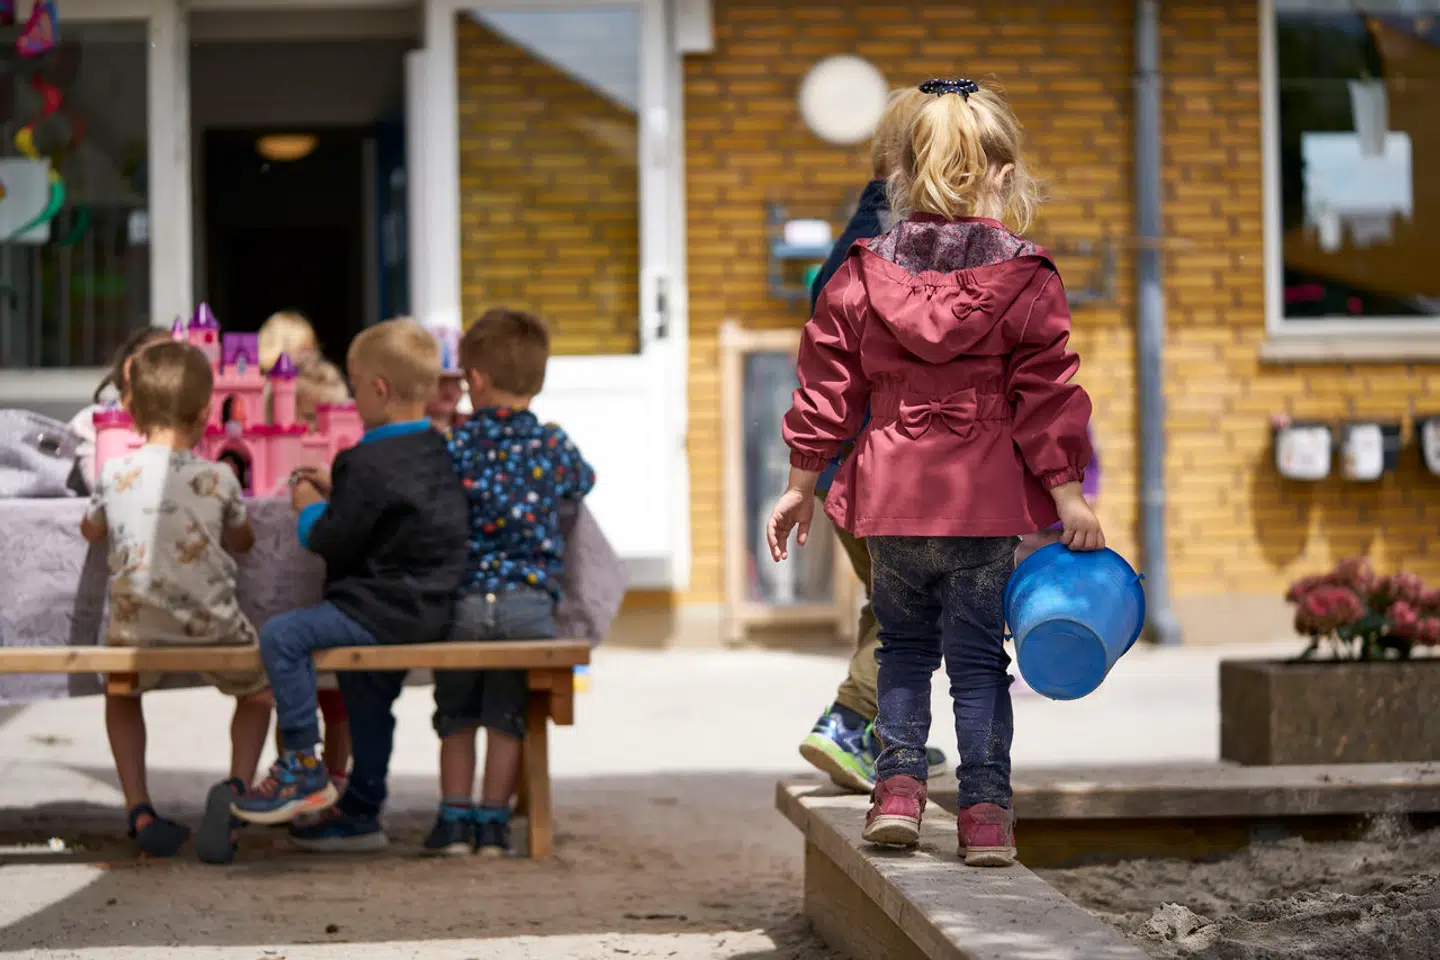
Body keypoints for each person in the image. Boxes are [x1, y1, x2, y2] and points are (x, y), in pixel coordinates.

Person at [767, 78, 1100, 867]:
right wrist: (1068, 496)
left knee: (904, 652)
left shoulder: (860, 271)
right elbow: (1046, 398)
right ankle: (985, 818)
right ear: (1005, 176)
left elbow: (827, 386)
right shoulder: (1028, 278)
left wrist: (800, 485)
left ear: (901, 177)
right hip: (981, 503)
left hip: (890, 495)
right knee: (979, 664)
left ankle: (896, 797)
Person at [230, 318, 468, 845]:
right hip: (433, 608)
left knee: (282, 636)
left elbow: (329, 540)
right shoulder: (439, 448)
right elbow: (398, 509)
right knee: (366, 696)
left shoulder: (363, 459)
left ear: (378, 389)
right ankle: (361, 810)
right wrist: (342, 490)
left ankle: (301, 763)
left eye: (356, 386)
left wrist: (308, 504)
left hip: (377, 610)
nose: (354, 397)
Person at [798, 87, 952, 794]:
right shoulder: (909, 251)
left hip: (846, 468)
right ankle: (851, 719)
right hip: (890, 470)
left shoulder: (859, 235)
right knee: (917, 605)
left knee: (892, 600)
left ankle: (891, 740)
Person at [80, 339, 273, 864]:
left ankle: (139, 809)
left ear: (130, 410)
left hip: (135, 631)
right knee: (259, 694)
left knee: (122, 693)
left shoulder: (114, 474)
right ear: (207, 412)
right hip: (213, 627)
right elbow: (244, 542)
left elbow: (90, 529)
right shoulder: (220, 477)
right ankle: (236, 792)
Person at [424, 308, 595, 857]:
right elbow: (583, 481)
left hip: (465, 603)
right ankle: (494, 824)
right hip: (527, 605)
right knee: (506, 714)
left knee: (456, 713)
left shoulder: (456, 444)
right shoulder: (552, 444)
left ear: (475, 380)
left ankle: (454, 821)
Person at [69, 326, 173, 491]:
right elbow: (101, 487)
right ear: (130, 369)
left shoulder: (177, 425)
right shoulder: (92, 421)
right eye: (165, 370)